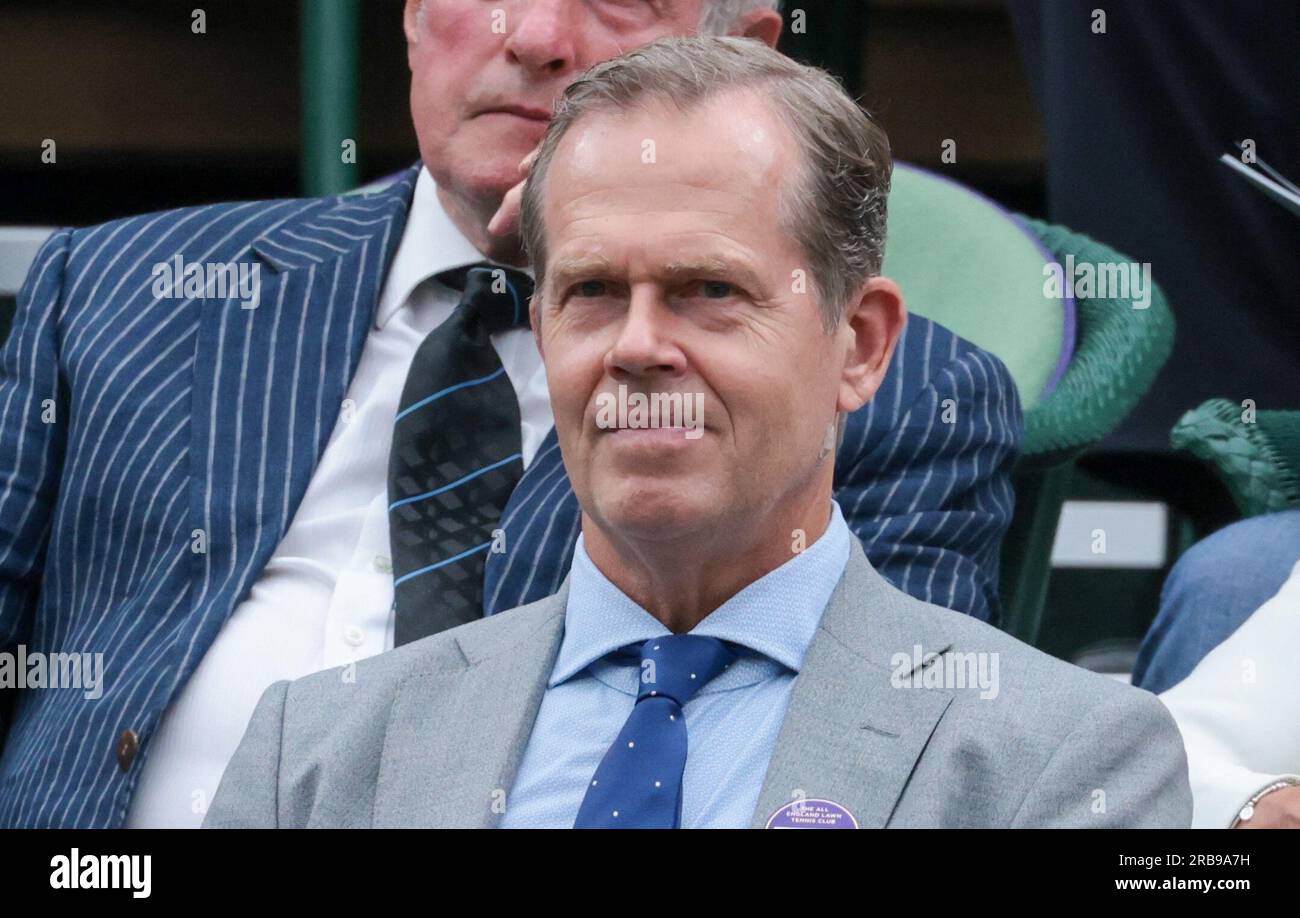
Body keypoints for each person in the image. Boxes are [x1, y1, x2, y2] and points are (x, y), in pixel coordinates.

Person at [0, 0, 1017, 829]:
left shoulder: (870, 387)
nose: (531, 36)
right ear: (407, 18)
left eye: (614, 0)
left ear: (737, 55)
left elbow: (869, 772)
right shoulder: (134, 288)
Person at [204, 37, 1190, 830]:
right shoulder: (320, 752)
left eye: (707, 291)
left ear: (859, 343)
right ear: (540, 324)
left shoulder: (1065, 762)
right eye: (591, 292)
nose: (637, 346)